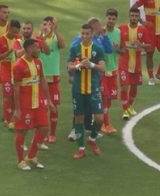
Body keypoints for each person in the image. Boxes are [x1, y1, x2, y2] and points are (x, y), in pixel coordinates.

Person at [12, 38, 54, 171]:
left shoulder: (38, 62)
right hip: (25, 105)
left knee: (44, 128)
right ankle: (20, 161)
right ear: (29, 49)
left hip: (38, 103)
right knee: (22, 132)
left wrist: (49, 100)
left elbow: (42, 81)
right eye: (36, 47)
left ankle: (31, 155)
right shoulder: (19, 65)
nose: (39, 49)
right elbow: (16, 88)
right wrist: (17, 109)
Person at [67, 23, 105, 159]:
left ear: (92, 34)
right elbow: (69, 66)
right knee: (79, 118)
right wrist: (78, 65)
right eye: (82, 33)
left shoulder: (98, 49)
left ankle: (92, 139)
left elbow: (103, 68)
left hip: (93, 89)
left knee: (100, 118)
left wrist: (91, 65)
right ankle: (81, 148)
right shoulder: (75, 48)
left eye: (87, 34)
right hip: (78, 89)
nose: (84, 36)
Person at [117, 8, 149, 120]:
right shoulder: (121, 28)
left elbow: (149, 45)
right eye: (132, 16)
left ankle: (129, 105)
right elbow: (115, 41)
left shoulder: (142, 30)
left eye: (136, 16)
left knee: (134, 87)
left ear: (138, 17)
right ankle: (125, 110)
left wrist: (141, 45)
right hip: (124, 63)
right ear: (129, 16)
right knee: (125, 86)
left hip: (137, 64)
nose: (134, 18)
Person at [38, 16, 65, 143]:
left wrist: (56, 30)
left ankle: (52, 134)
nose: (47, 26)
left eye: (50, 24)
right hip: (40, 77)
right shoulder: (37, 37)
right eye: (45, 23)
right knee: (41, 107)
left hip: (53, 76)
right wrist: (41, 38)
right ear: (41, 25)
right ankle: (42, 133)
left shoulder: (56, 37)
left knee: (54, 106)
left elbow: (62, 44)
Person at [0, 20, 22, 128]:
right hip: (5, 69)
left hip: (17, 70)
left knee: (16, 95)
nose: (15, 34)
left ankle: (13, 118)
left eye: (17, 32)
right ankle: (7, 119)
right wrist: (8, 53)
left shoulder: (19, 39)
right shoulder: (0, 41)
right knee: (7, 95)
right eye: (14, 32)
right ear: (8, 27)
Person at [100, 9, 122, 134]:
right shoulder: (101, 33)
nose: (111, 21)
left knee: (109, 100)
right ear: (106, 18)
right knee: (105, 98)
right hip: (102, 71)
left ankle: (102, 121)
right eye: (109, 18)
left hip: (113, 70)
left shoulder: (118, 32)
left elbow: (123, 51)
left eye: (113, 19)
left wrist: (118, 49)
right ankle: (105, 124)